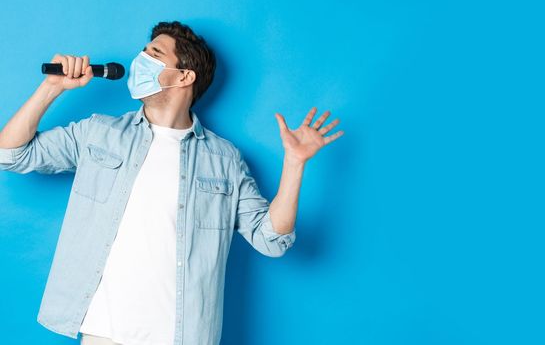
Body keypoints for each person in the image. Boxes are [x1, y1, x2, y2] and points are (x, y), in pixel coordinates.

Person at [0, 21, 343, 345]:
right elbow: (10, 154)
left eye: (154, 54)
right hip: (103, 331)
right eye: (144, 51)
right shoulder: (98, 133)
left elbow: (272, 240)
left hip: (180, 335)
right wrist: (51, 88)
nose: (140, 60)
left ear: (183, 77)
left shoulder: (224, 160)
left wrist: (294, 165)